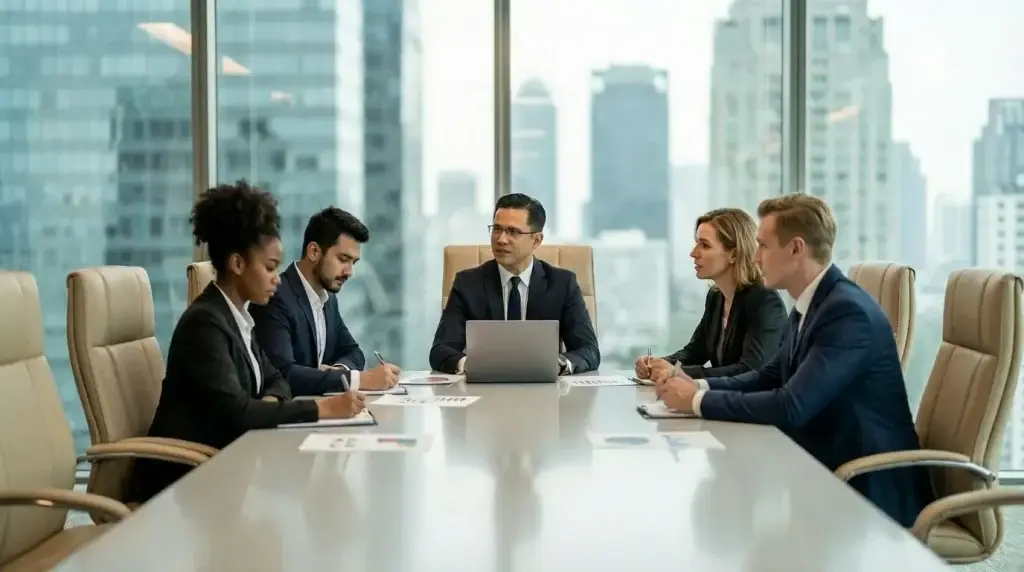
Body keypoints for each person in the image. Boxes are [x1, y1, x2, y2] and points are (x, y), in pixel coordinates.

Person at [655, 194, 933, 527]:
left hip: (867, 487)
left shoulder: (847, 312)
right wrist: (698, 385)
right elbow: (769, 375)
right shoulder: (812, 304)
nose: (755, 257)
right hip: (823, 465)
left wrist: (698, 401)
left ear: (796, 249)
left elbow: (791, 405)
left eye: (763, 246)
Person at [130, 181, 366, 503]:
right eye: (270, 268)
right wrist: (322, 407)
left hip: (227, 470)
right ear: (237, 264)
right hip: (184, 486)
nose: (277, 279)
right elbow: (236, 415)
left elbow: (276, 379)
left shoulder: (240, 317)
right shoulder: (206, 324)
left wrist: (266, 404)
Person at [429, 193, 600, 374]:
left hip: (544, 394)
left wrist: (559, 364)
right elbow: (440, 351)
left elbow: (589, 351)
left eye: (513, 231)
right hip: (484, 393)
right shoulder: (468, 283)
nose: (501, 239)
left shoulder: (562, 284)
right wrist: (469, 365)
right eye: (497, 229)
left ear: (536, 240)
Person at [251, 207, 400, 396]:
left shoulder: (328, 297)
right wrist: (359, 379)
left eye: (353, 263)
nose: (349, 272)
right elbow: (283, 374)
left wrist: (338, 370)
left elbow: (353, 352)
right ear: (313, 251)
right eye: (343, 259)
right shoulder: (275, 296)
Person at [633, 208, 786, 382]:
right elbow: (695, 352)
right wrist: (658, 364)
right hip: (725, 400)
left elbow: (751, 369)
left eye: (704, 245)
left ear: (734, 254)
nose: (693, 253)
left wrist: (677, 373)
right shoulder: (716, 297)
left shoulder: (764, 300)